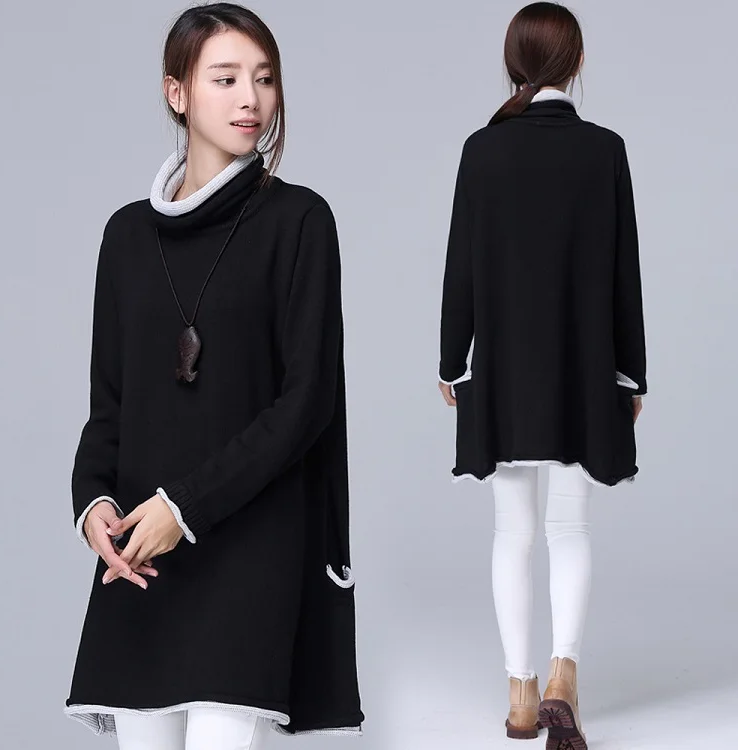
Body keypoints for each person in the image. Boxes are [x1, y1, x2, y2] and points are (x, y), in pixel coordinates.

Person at [63, 4, 364, 748]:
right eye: (225, 79)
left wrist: (184, 508)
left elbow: (306, 403)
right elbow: (110, 405)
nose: (250, 99)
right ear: (177, 92)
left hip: (250, 547)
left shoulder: (300, 221)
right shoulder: (126, 236)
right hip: (143, 555)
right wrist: (95, 503)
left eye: (264, 79)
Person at [437, 3, 647, 749]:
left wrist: (452, 362)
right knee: (569, 527)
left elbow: (461, 266)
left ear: (512, 64)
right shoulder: (604, 151)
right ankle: (565, 677)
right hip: (582, 369)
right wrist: (629, 375)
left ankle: (522, 695)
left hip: (501, 369)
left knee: (513, 532)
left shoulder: (482, 150)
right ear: (577, 63)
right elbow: (624, 274)